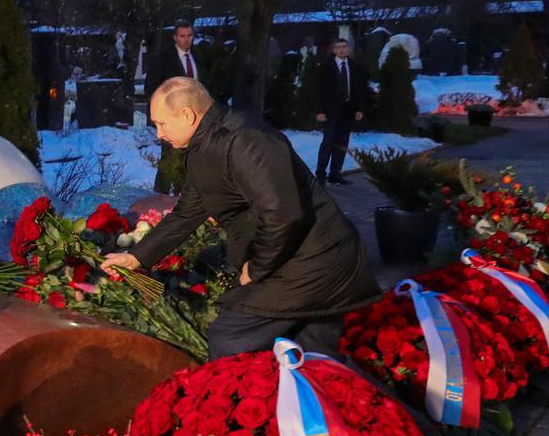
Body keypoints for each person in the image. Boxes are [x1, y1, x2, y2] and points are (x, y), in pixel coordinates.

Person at [103, 77, 380, 359]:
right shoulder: (207, 144)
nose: (159, 133)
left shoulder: (245, 140)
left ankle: (233, 400)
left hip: (314, 261)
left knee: (229, 339)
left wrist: (258, 267)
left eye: (161, 123)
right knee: (313, 360)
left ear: (187, 115)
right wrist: (137, 258)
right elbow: (187, 212)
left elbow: (284, 214)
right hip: (298, 260)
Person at [146, 20, 199, 192]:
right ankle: (160, 196)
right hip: (171, 117)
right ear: (175, 37)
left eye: (189, 35)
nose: (186, 40)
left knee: (190, 158)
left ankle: (183, 194)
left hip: (194, 117)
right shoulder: (163, 58)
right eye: (182, 36)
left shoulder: (197, 56)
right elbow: (152, 87)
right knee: (170, 158)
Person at [315, 37, 367, 185]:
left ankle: (335, 174)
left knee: (342, 144)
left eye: (344, 46)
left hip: (347, 110)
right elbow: (318, 91)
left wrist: (359, 109)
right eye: (338, 47)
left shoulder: (354, 66)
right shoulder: (326, 67)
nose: (342, 49)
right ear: (333, 50)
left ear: (348, 49)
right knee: (328, 142)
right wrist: (320, 110)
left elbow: (359, 90)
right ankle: (320, 174)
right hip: (330, 111)